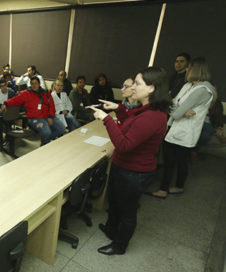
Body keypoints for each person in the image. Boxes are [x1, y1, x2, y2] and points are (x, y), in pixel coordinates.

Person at [90, 66, 170, 255]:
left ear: (151, 88)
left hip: (135, 172)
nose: (133, 87)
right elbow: (130, 122)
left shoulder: (152, 117)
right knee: (115, 201)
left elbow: (124, 144)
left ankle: (120, 245)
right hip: (123, 165)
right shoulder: (146, 109)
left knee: (128, 210)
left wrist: (106, 118)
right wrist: (118, 108)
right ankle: (111, 229)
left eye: (137, 83)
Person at [150, 58, 217, 199]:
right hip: (174, 127)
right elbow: (171, 103)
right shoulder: (188, 85)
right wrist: (180, 110)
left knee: (179, 161)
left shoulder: (203, 90)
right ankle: (169, 187)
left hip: (185, 132)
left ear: (195, 69)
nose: (186, 70)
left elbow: (175, 111)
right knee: (171, 161)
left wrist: (178, 110)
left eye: (189, 68)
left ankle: (171, 188)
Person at [2, 76, 65, 145]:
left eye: (36, 83)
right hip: (35, 118)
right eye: (32, 83)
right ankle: (44, 144)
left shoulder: (46, 93)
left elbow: (51, 106)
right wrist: (6, 103)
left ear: (39, 84)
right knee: (47, 132)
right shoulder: (26, 93)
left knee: (61, 128)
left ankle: (45, 140)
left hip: (48, 116)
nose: (34, 85)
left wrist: (50, 116)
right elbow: (15, 100)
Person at [0, 78, 16, 145]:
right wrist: (1, 107)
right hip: (0, 110)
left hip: (10, 110)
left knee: (8, 120)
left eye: (5, 85)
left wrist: (7, 106)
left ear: (7, 84)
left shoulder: (11, 92)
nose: (4, 87)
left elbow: (15, 103)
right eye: (2, 86)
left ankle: (8, 138)